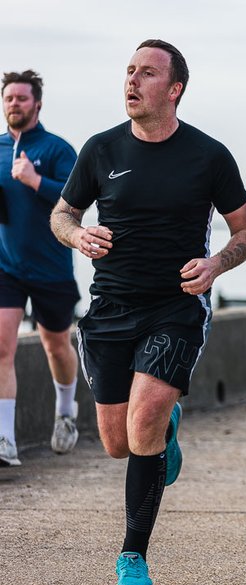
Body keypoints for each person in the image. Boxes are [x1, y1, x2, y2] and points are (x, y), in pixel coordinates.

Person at [49, 40, 246, 585]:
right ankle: (166, 430)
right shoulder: (100, 150)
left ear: (174, 89)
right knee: (118, 443)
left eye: (147, 73)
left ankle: (132, 554)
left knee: (142, 419)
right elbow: (63, 213)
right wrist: (77, 234)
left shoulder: (209, 156)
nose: (132, 82)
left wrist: (216, 264)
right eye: (128, 71)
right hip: (111, 309)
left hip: (176, 308)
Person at [0, 71, 80, 467]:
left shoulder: (58, 149)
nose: (14, 104)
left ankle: (66, 411)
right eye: (9, 98)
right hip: (6, 267)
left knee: (56, 346)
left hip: (52, 269)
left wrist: (34, 181)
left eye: (21, 98)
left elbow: (77, 203)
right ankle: (5, 441)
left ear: (38, 104)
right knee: (2, 346)